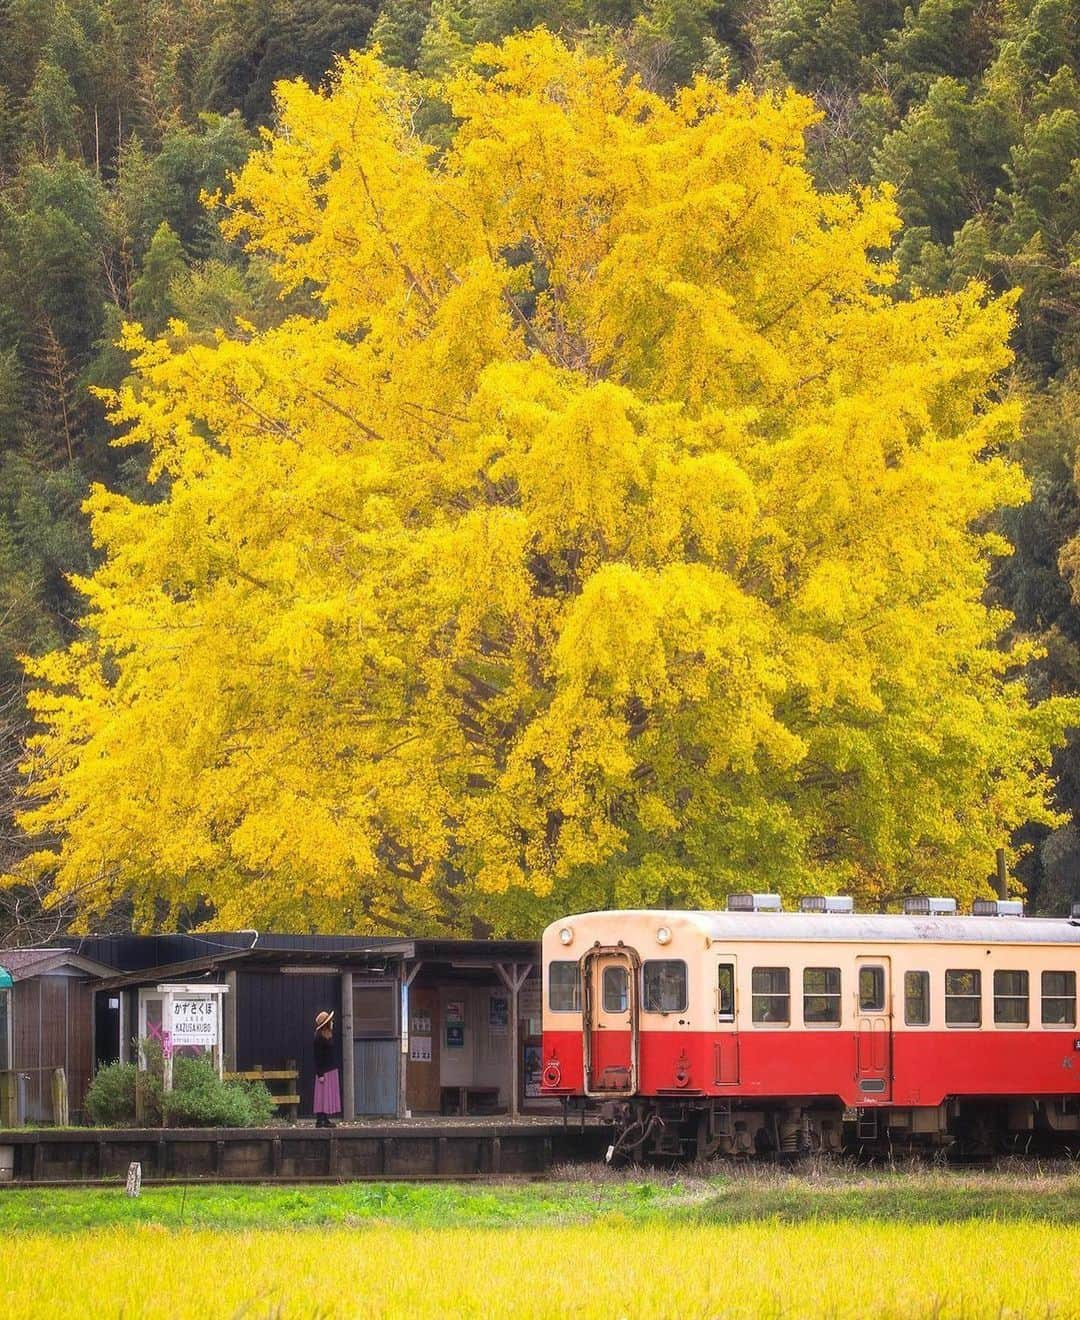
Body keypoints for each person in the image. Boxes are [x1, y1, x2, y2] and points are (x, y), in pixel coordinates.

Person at [312, 1010, 341, 1128]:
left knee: (326, 1096)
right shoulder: (319, 1038)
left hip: (330, 1069)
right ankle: (320, 1119)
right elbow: (318, 1056)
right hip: (325, 1071)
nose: (332, 1022)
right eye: (330, 1021)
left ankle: (325, 1118)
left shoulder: (327, 1036)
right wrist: (320, 1073)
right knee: (322, 1095)